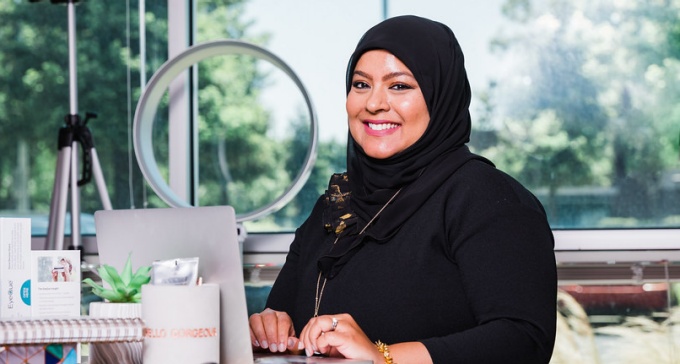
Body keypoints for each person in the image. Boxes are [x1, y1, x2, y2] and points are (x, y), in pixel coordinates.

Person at [249, 15, 557, 364]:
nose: (374, 103)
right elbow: (287, 318)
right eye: (361, 85)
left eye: (399, 86)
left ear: (440, 96)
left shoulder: (485, 198)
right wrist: (272, 327)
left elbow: (524, 341)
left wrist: (384, 357)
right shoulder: (336, 204)